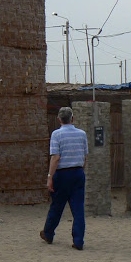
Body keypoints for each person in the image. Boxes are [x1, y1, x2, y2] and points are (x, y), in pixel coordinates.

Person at [40, 106, 88, 250]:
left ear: (59, 119)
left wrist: (50, 176)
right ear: (73, 118)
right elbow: (86, 156)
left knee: (57, 205)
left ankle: (48, 233)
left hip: (62, 173)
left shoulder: (56, 135)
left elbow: (55, 157)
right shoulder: (82, 134)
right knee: (78, 208)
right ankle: (78, 240)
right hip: (78, 172)